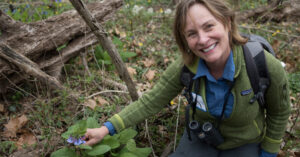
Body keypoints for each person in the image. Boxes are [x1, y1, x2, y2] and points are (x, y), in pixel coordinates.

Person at [83, 0, 291, 156]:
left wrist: (268, 152)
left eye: (209, 26)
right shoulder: (186, 67)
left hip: (244, 143)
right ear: (185, 39)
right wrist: (105, 129)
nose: (202, 39)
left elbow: (280, 113)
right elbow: (151, 101)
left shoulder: (261, 63)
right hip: (201, 138)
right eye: (192, 33)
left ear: (227, 22)